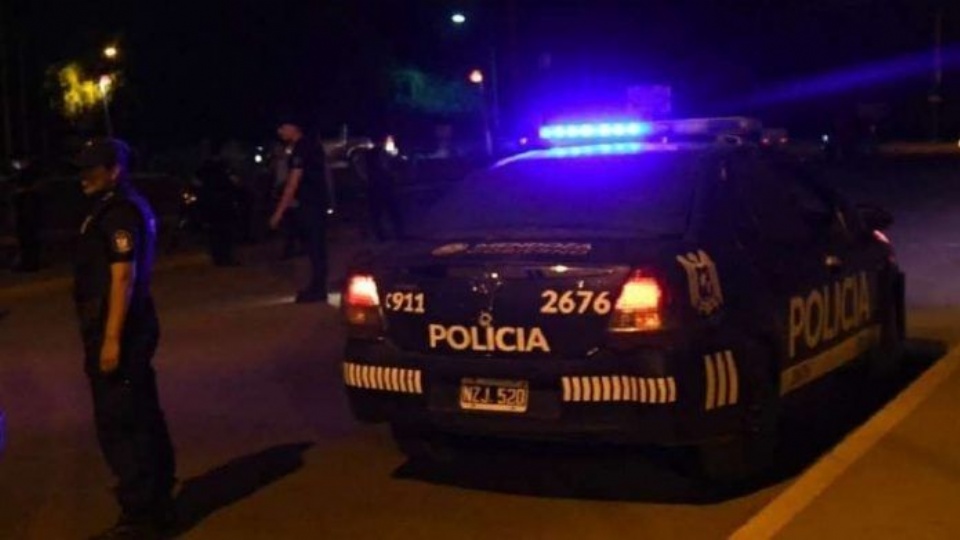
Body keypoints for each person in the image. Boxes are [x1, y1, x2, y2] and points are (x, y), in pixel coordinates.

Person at [73, 138, 177, 539]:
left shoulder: (119, 211)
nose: (83, 177)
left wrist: (112, 338)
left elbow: (122, 276)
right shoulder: (117, 206)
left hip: (121, 327)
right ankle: (156, 501)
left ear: (114, 171)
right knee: (140, 412)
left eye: (92, 170)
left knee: (121, 421)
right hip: (126, 325)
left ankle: (141, 515)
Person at [269, 119, 329, 303]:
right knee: (316, 247)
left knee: (314, 247)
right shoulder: (312, 145)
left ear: (293, 127)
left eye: (282, 127)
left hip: (309, 204)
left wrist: (278, 212)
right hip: (316, 202)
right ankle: (318, 286)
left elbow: (293, 182)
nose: (280, 132)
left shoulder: (302, 148)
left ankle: (318, 289)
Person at [196, 143, 243, 266]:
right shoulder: (225, 167)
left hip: (211, 202)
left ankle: (217, 257)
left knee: (214, 231)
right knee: (226, 230)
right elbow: (236, 181)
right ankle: (226, 257)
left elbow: (196, 182)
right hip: (224, 201)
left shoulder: (204, 167)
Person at [358, 134, 405, 241]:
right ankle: (398, 233)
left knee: (376, 213)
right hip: (383, 185)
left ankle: (380, 235)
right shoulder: (383, 153)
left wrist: (366, 179)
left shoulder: (366, 154)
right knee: (391, 210)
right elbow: (388, 167)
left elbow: (361, 169)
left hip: (373, 186)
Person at [10, 157, 43, 272]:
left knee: (29, 237)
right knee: (26, 237)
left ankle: (29, 262)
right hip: (25, 212)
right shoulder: (22, 176)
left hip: (27, 212)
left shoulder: (29, 175)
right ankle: (28, 261)